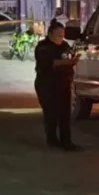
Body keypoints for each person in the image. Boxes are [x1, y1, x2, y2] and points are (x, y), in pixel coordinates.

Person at [33, 20, 80, 151]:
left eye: (62, 35)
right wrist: (67, 62)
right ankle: (52, 140)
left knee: (65, 115)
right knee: (51, 113)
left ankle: (67, 142)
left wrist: (73, 61)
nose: (61, 37)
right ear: (50, 34)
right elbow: (50, 63)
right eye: (58, 35)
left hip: (64, 85)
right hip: (47, 85)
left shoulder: (64, 45)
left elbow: (69, 58)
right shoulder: (43, 47)